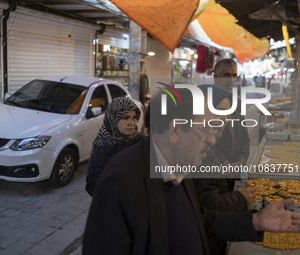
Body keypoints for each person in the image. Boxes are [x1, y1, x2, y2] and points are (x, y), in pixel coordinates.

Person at [83, 87, 300, 255]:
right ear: (176, 129)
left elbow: (197, 220)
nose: (213, 139)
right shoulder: (120, 182)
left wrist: (254, 222)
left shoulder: (177, 165)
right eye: (206, 129)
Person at [193, 84, 256, 255]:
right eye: (218, 110)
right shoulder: (196, 154)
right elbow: (208, 206)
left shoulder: (207, 147)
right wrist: (240, 199)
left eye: (226, 112)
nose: (225, 119)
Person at [85, 97, 142, 196]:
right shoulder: (101, 146)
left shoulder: (141, 141)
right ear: (113, 119)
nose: (132, 123)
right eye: (125, 118)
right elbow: (92, 184)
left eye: (134, 118)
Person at [213, 58, 250, 190]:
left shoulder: (237, 103)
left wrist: (241, 161)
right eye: (226, 75)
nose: (231, 79)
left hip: (234, 172)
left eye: (234, 75)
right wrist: (224, 162)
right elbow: (202, 138)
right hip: (213, 172)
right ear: (215, 77)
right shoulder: (206, 104)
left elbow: (245, 136)